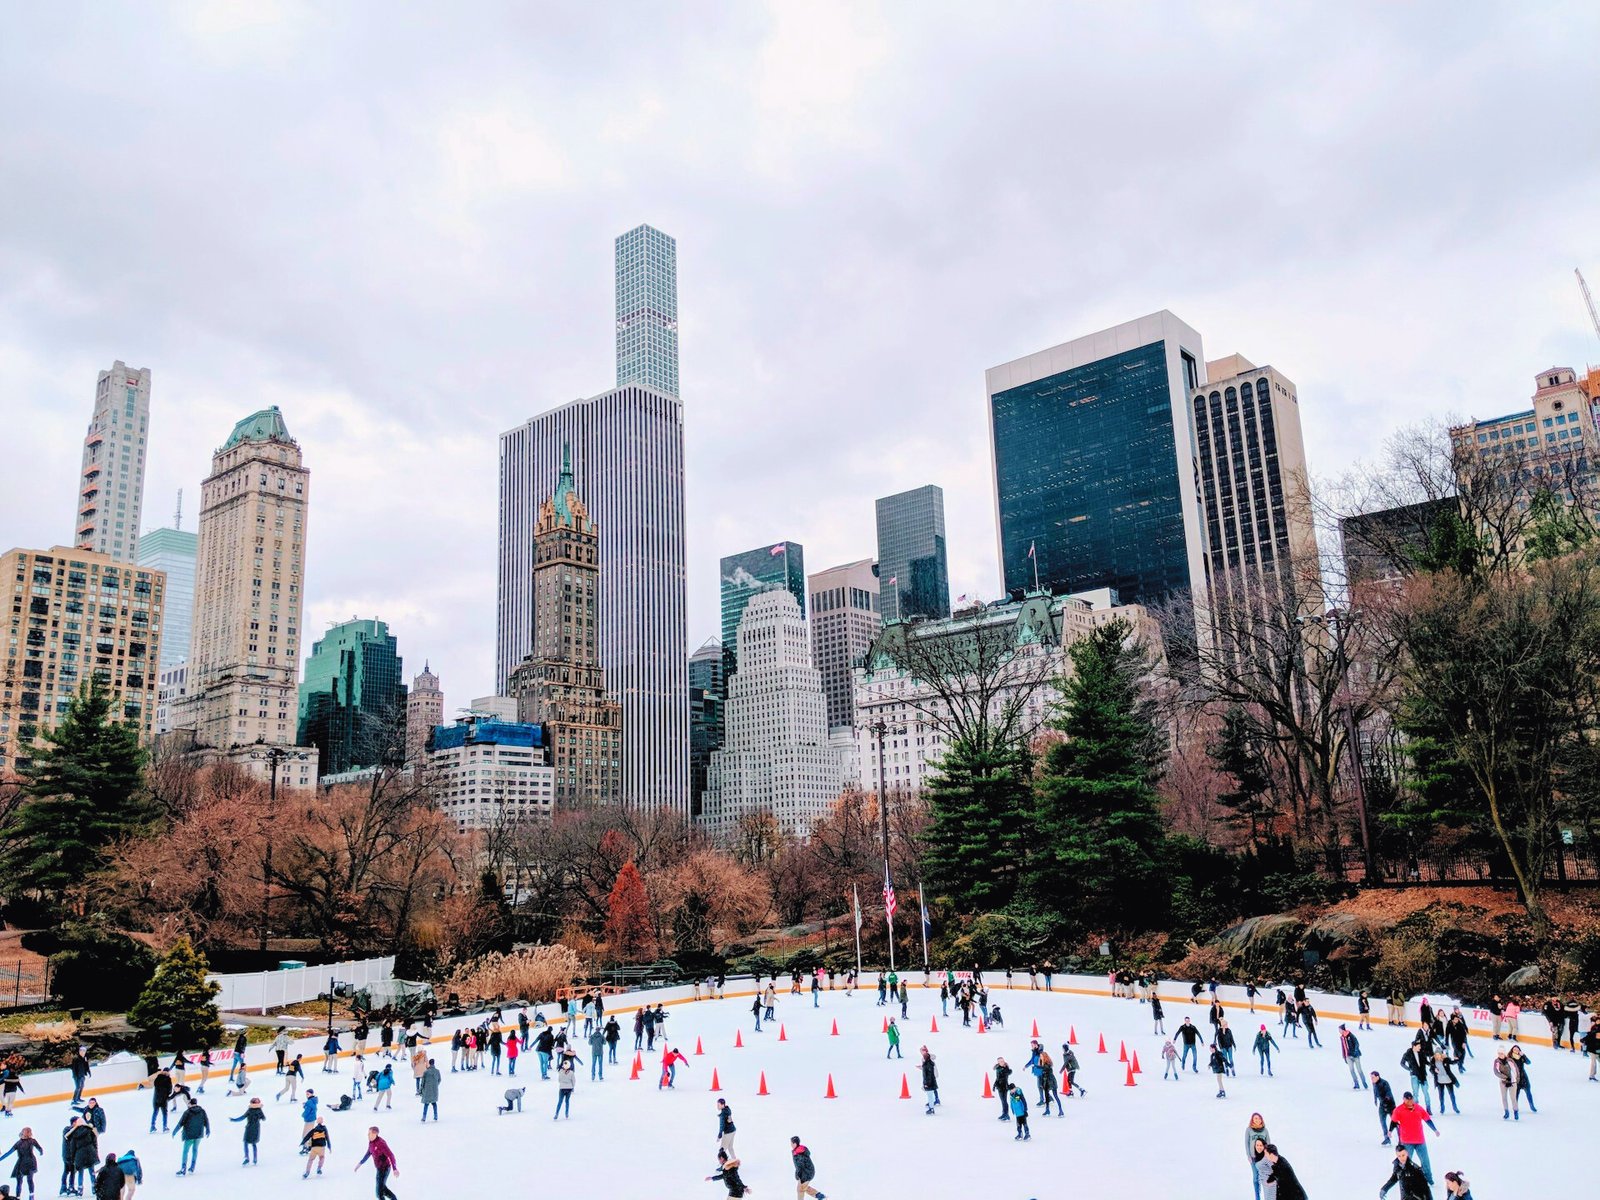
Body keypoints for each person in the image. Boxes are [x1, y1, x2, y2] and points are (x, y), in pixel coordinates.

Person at [1387, 1092, 1438, 1185]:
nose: (1410, 1101)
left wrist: (1435, 1130)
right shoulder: (1399, 1110)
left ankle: (1429, 1179)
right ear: (1404, 1099)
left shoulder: (1418, 1108)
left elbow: (1427, 1119)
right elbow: (1394, 1121)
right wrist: (1390, 1131)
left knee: (1425, 1160)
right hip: (1406, 1141)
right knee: (1404, 1161)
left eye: (1411, 1099)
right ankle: (1402, 1177)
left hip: (1420, 1140)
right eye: (1407, 1099)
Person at [354, 1127, 398, 1200]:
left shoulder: (381, 1143)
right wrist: (360, 1163)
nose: (367, 1135)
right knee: (381, 1189)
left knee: (379, 1193)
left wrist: (395, 1168)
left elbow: (391, 1155)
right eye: (368, 1133)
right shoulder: (371, 1142)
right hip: (379, 1169)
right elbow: (368, 1153)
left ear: (375, 1134)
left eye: (369, 1133)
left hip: (385, 1169)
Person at [0, 1127, 41, 1200]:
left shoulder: (20, 1143)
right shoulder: (31, 1141)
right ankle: (29, 1196)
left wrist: (0, 1159)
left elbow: (8, 1153)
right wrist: (41, 1152)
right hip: (29, 1162)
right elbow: (40, 1148)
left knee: (22, 1181)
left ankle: (21, 1197)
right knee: (28, 1180)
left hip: (24, 1162)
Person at [171, 1098, 208, 1178]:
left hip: (189, 1135)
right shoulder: (202, 1111)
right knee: (195, 1150)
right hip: (199, 1134)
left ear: (190, 1104)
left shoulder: (187, 1112)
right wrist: (208, 1129)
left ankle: (183, 1169)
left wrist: (175, 1131)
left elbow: (180, 1123)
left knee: (185, 1151)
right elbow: (206, 1121)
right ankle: (192, 1167)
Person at [229, 1098, 265, 1166]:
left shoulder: (250, 1110)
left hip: (249, 1128)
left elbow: (242, 1117)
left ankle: (247, 1158)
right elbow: (264, 1118)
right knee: (253, 1143)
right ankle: (255, 1159)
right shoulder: (259, 1110)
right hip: (256, 1128)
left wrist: (234, 1120)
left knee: (246, 1142)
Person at [1244, 1113, 1270, 1200]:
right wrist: (1248, 1155)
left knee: (1265, 1178)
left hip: (1263, 1158)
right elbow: (1246, 1143)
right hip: (1253, 1158)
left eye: (1258, 1118)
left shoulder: (1265, 1130)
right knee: (1256, 1178)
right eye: (1255, 1118)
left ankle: (1268, 1196)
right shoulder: (1249, 1130)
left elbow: (1268, 1143)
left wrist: (1268, 1156)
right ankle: (1257, 1197)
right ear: (1252, 1120)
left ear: (1261, 1120)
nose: (1257, 1120)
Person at [1508, 1044, 1536, 1112]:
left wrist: (1523, 1055)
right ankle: (1515, 1107)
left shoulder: (1521, 1057)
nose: (1516, 1050)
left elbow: (1529, 1062)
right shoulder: (1510, 1059)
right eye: (1514, 1049)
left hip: (1524, 1078)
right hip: (1516, 1079)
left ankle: (1532, 1106)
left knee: (1528, 1093)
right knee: (1516, 1095)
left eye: (1517, 1050)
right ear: (1512, 1050)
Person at [1372, 1071, 1398, 1144]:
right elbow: (1375, 1092)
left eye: (1373, 1077)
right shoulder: (1374, 1083)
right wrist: (1375, 1100)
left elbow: (1388, 1093)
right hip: (1382, 1105)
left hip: (1390, 1105)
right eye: (1371, 1077)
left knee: (1395, 1122)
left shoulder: (1384, 1083)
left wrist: (1386, 1103)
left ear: (1378, 1076)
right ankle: (1386, 1138)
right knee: (1382, 1121)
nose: (1372, 1079)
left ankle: (1401, 1138)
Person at [1339, 1024, 1366, 1088]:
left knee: (1359, 1070)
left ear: (1343, 1030)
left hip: (1355, 1056)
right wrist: (1344, 1057)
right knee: (1351, 1070)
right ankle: (1356, 1083)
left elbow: (1356, 1043)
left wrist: (1356, 1050)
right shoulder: (1342, 1037)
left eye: (1339, 1029)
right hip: (1348, 1057)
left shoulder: (1350, 1035)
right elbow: (1343, 1047)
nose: (1339, 1031)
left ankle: (1364, 1082)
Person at [554, 1050, 578, 1118]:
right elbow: (574, 1081)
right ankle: (566, 1114)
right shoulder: (571, 1073)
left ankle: (556, 1113)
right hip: (569, 1088)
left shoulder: (560, 1072)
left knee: (560, 1101)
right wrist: (572, 1086)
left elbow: (559, 1080)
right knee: (567, 1102)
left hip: (562, 1088)